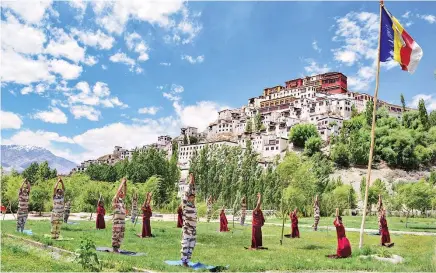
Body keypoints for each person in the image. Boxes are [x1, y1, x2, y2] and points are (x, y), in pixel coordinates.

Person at [181, 173, 197, 267]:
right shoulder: (185, 204)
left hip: (193, 228)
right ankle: (183, 261)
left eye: (193, 197)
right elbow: (187, 193)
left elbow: (193, 191)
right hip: (187, 228)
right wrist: (190, 182)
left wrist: (193, 181)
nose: (192, 198)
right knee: (185, 244)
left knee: (192, 245)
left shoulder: (193, 204)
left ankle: (187, 261)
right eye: (191, 197)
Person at [112, 178, 127, 253]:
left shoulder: (121, 200)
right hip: (117, 220)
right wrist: (122, 182)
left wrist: (125, 184)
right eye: (120, 192)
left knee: (121, 234)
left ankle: (117, 248)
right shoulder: (115, 199)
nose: (122, 193)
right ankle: (114, 248)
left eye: (122, 192)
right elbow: (118, 192)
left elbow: (125, 192)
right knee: (116, 233)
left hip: (122, 220)